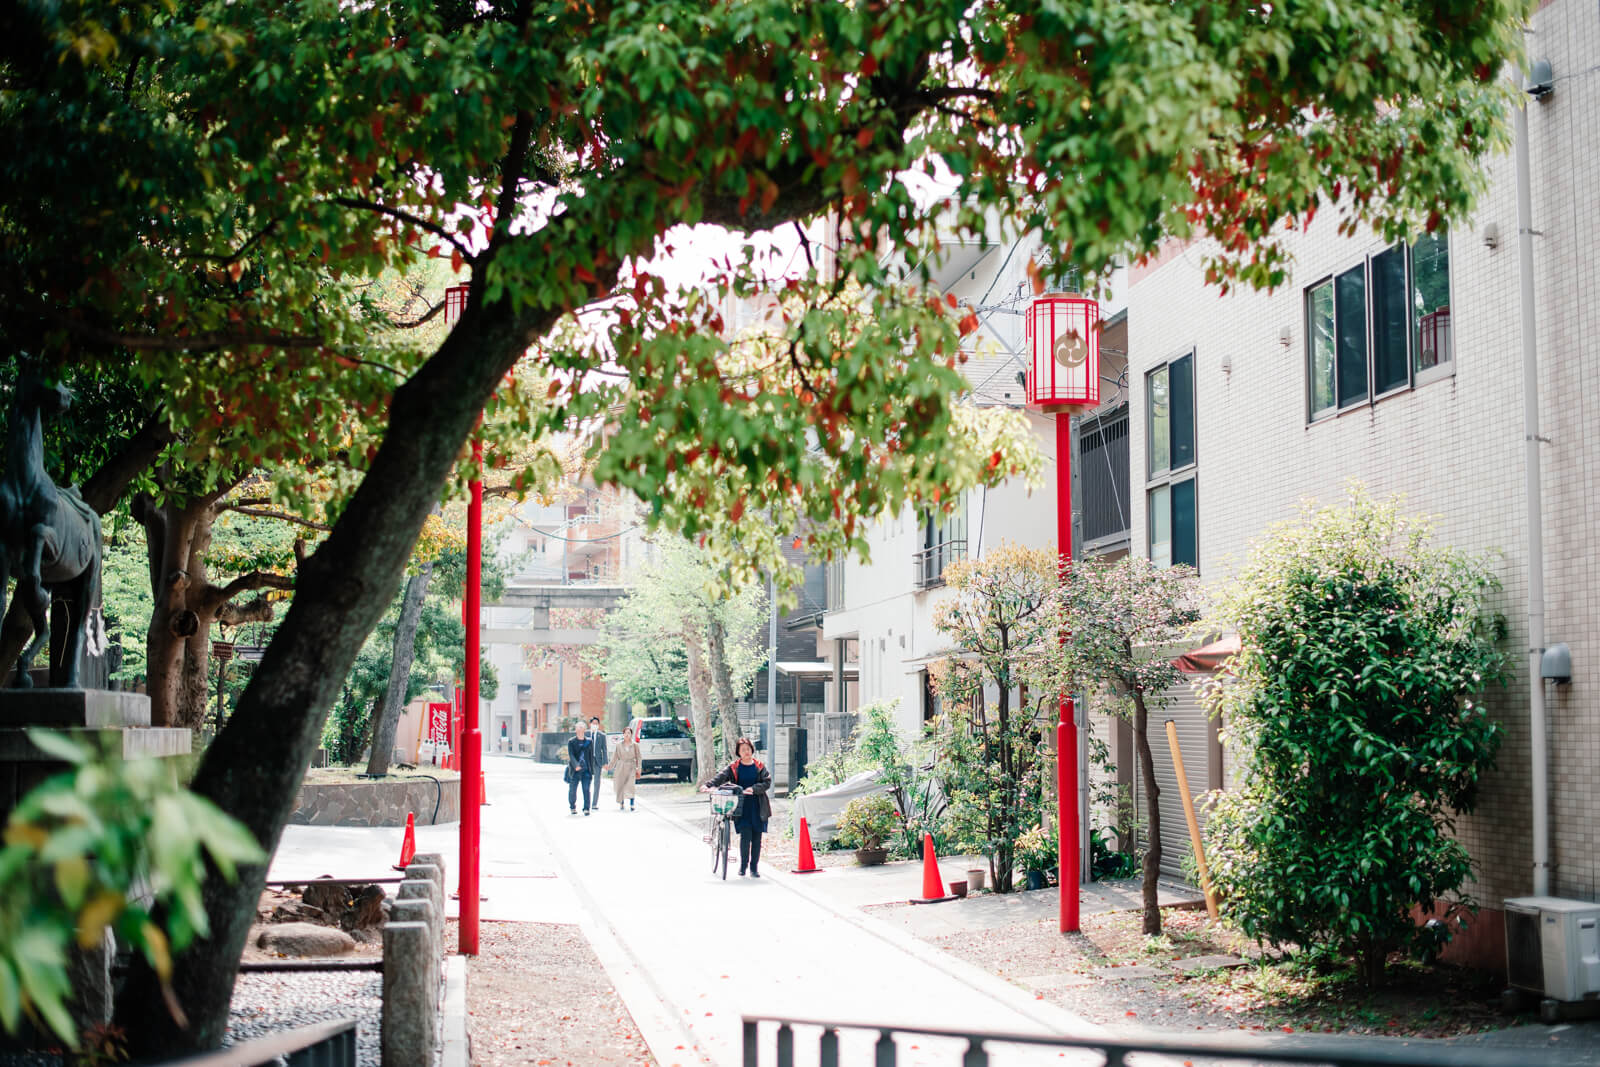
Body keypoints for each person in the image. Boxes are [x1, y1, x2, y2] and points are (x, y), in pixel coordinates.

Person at [700, 738, 771, 877]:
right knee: (745, 837)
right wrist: (707, 785)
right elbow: (720, 777)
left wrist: (754, 789)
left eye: (748, 749)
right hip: (741, 806)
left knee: (757, 839)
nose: (746, 752)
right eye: (743, 749)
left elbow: (767, 782)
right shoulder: (734, 767)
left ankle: (754, 868)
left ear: (752, 750)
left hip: (758, 806)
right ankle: (743, 866)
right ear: (738, 752)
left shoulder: (759, 766)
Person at [607, 725, 642, 811]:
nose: (627, 735)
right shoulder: (619, 745)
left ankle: (632, 803)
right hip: (621, 766)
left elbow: (639, 757)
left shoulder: (635, 745)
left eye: (628, 733)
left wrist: (639, 768)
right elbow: (615, 757)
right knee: (621, 785)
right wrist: (609, 766)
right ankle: (621, 803)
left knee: (631, 785)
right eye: (625, 733)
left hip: (631, 766)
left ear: (631, 734)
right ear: (623, 734)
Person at [566, 720, 593, 815]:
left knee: (586, 789)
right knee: (572, 790)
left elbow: (591, 756)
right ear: (576, 729)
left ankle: (586, 808)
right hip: (575, 770)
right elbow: (571, 755)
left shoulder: (589, 741)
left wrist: (592, 770)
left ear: (585, 729)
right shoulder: (571, 742)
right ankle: (572, 807)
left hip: (586, 770)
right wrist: (576, 765)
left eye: (582, 727)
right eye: (578, 727)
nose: (580, 728)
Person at [586, 716, 609, 810]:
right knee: (587, 782)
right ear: (590, 724)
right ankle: (587, 803)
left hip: (598, 761)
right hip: (587, 762)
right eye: (593, 723)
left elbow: (605, 749)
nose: (595, 725)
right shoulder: (586, 734)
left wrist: (605, 762)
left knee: (597, 783)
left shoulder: (602, 735)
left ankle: (594, 803)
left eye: (596, 724)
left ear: (598, 725)